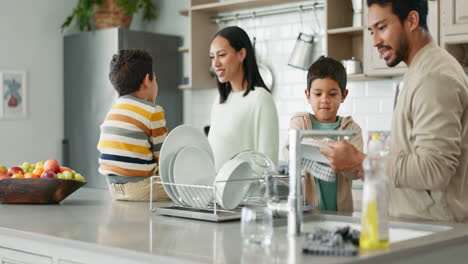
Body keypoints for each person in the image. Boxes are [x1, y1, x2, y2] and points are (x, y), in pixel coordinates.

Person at [320, 0, 468, 222]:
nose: (375, 41)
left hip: (436, 234)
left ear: (411, 20)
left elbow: (434, 169)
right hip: (424, 229)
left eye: (382, 28)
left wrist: (361, 160)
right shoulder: (420, 72)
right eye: (371, 31)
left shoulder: (433, 77)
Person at [283, 56, 363, 212]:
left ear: (344, 95)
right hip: (306, 213)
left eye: (332, 94)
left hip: (341, 215)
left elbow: (355, 172)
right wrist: (338, 153)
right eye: (318, 94)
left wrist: (314, 147)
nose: (324, 100)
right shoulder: (299, 122)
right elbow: (290, 154)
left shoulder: (351, 129)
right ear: (308, 95)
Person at [97, 49, 169, 201]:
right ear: (146, 80)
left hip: (114, 189)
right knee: (186, 187)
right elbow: (163, 158)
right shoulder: (153, 111)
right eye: (154, 79)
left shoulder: (113, 111)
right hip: (142, 188)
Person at [208, 26, 279, 171]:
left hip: (249, 193)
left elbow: (268, 162)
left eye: (221, 55)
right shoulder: (219, 102)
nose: (215, 63)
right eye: (212, 57)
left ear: (241, 54)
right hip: (215, 192)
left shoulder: (261, 99)